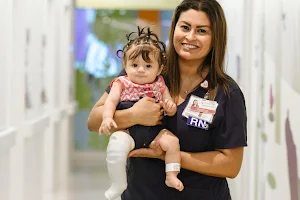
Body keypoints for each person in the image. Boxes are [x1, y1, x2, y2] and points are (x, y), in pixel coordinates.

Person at [87, 0, 247, 199]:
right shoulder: (145, 69)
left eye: (202, 31)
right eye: (185, 27)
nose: (190, 37)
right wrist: (132, 115)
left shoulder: (226, 92)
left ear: (216, 37)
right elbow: (94, 121)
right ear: (174, 29)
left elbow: (230, 165)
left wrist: (168, 156)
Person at [99, 27, 184, 200]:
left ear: (159, 69)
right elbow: (111, 102)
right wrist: (107, 118)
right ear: (125, 65)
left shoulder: (160, 84)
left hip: (154, 133)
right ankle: (118, 183)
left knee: (173, 142)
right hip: (129, 132)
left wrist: (169, 107)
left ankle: (171, 175)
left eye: (148, 66)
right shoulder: (121, 83)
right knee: (116, 146)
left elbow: (171, 105)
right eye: (135, 65)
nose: (140, 70)